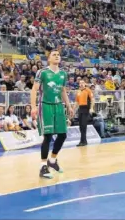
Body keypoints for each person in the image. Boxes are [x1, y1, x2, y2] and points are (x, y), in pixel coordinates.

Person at [31, 50, 74, 179]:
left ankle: (53, 160)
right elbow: (34, 89)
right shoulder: (42, 72)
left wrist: (69, 105)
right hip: (46, 105)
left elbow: (63, 90)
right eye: (54, 55)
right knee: (48, 136)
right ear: (48, 58)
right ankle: (43, 166)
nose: (57, 56)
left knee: (62, 135)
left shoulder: (63, 74)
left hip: (59, 106)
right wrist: (33, 107)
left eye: (58, 55)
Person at [75, 80, 94, 147]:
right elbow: (76, 102)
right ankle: (83, 141)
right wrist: (73, 110)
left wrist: (91, 108)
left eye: (82, 83)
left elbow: (92, 99)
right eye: (80, 83)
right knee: (80, 126)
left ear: (85, 84)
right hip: (80, 109)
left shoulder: (88, 90)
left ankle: (83, 141)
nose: (81, 84)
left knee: (83, 125)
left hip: (86, 109)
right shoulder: (78, 92)